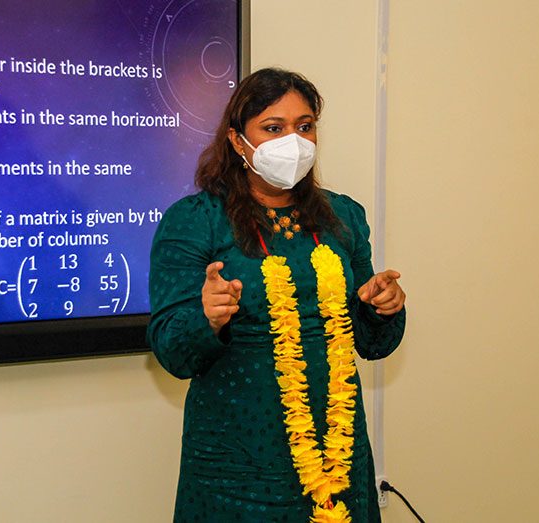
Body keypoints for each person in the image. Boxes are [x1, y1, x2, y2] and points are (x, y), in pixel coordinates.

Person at [148, 68, 406, 523]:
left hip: (337, 450)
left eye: (304, 126)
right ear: (236, 140)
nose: (295, 141)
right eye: (274, 128)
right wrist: (206, 318)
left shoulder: (342, 216)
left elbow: (371, 343)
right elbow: (172, 351)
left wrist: (381, 306)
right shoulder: (194, 220)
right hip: (238, 462)